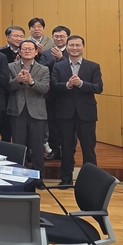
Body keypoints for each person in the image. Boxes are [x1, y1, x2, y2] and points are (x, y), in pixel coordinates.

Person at [51, 35, 103, 186]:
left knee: (88, 148)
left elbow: (98, 87)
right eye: (71, 45)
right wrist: (67, 85)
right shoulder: (58, 66)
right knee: (66, 147)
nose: (74, 48)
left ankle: (91, 181)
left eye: (78, 45)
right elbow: (53, 85)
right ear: (66, 47)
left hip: (86, 113)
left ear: (83, 47)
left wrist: (81, 84)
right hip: (65, 113)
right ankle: (66, 179)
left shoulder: (93, 66)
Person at [7, 40, 50, 176]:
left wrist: (31, 82)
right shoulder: (10, 67)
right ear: (19, 51)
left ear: (36, 52)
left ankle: (38, 178)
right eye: (24, 49)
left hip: (37, 113)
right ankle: (19, 176)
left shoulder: (43, 69)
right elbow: (6, 86)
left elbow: (45, 88)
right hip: (17, 111)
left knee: (37, 147)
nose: (27, 51)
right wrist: (17, 81)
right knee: (19, 146)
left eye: (30, 49)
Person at [42, 25, 71, 161]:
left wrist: (62, 58)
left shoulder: (72, 51)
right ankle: (55, 151)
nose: (59, 39)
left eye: (62, 36)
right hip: (51, 95)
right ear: (52, 37)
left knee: (68, 127)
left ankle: (68, 153)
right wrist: (55, 60)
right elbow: (43, 69)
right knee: (52, 125)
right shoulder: (46, 53)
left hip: (68, 94)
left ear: (67, 37)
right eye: (56, 36)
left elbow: (73, 70)